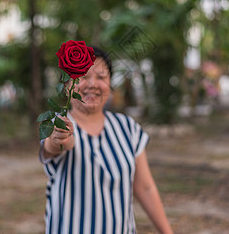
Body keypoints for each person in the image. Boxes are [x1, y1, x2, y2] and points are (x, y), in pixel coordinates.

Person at [39, 46, 174, 234]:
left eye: (101, 77)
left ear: (110, 84)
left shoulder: (128, 128)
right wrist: (59, 137)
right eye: (83, 76)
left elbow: (145, 187)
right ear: (68, 85)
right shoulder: (59, 124)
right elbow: (55, 145)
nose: (93, 84)